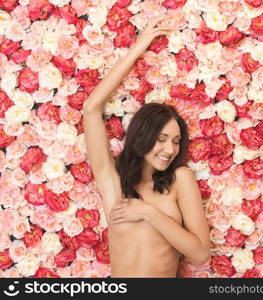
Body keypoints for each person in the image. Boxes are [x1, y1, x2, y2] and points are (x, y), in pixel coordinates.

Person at [82, 15, 210, 278]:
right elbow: (91, 108)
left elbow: (200, 254)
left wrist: (148, 212)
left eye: (176, 141)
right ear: (143, 135)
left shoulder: (179, 180)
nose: (169, 149)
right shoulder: (113, 182)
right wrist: (139, 48)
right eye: (161, 139)